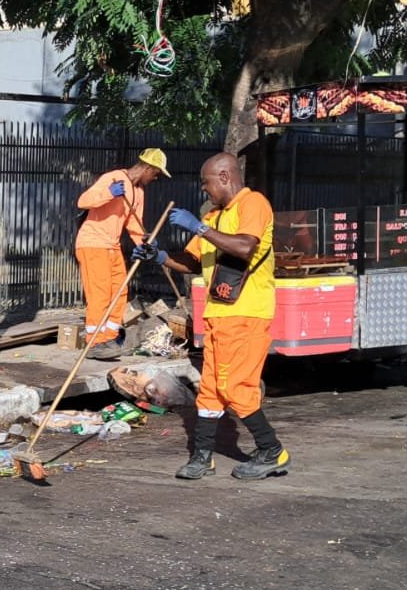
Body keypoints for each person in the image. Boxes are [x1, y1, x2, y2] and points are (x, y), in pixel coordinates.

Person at [132, 152, 290, 481]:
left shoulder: (253, 204)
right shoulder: (215, 216)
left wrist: (200, 227)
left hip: (247, 313)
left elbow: (245, 247)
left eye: (206, 183)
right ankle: (203, 457)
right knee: (211, 390)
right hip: (218, 315)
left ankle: (272, 450)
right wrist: (158, 255)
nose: (204, 190)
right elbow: (191, 262)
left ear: (224, 177)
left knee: (236, 386)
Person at [75, 148, 171, 359]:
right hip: (93, 243)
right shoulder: (113, 178)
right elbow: (83, 201)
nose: (155, 178)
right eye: (156, 173)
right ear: (148, 168)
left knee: (120, 292)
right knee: (99, 295)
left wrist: (145, 243)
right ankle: (94, 342)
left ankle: (109, 337)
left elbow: (135, 225)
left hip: (112, 245)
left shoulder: (138, 192)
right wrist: (108, 193)